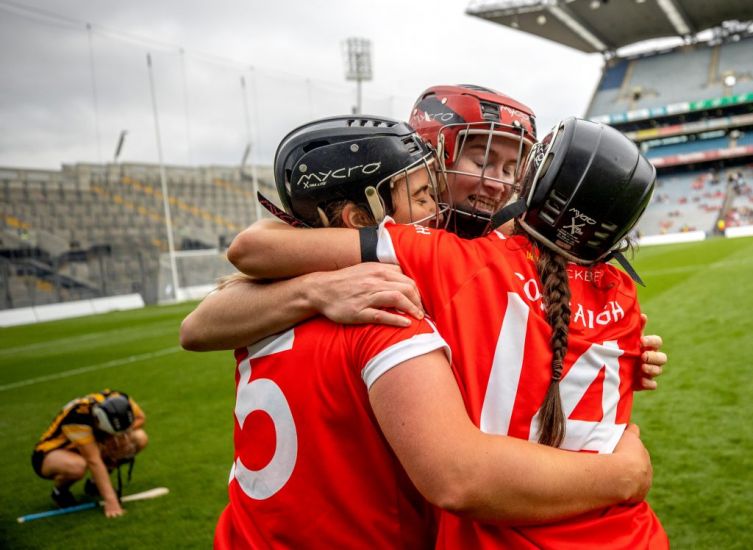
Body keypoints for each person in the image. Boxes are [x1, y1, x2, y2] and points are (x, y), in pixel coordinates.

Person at [212, 116, 654, 548]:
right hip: (632, 532)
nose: (438, 207)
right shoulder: (623, 296)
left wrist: (313, 288)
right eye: (424, 194)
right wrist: (625, 474)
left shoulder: (444, 265)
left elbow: (243, 262)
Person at [181, 85, 666, 394]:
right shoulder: (395, 234)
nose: (498, 182)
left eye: (511, 166)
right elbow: (201, 325)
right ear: (431, 157)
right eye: (480, 160)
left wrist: (600, 360)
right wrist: (315, 291)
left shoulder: (519, 243)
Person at [32, 389, 148, 518]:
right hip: (51, 454)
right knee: (77, 467)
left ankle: (94, 485)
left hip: (89, 444)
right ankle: (60, 492)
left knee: (138, 439)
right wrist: (111, 501)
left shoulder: (121, 400)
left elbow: (140, 418)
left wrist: (117, 437)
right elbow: (94, 461)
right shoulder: (77, 418)